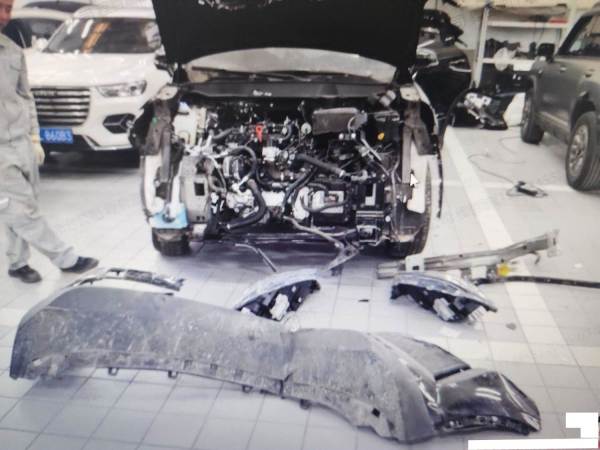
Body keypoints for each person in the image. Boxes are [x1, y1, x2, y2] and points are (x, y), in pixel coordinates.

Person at [0, 0, 99, 284]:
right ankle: (65, 258)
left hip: (20, 141)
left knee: (20, 206)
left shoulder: (12, 50)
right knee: (21, 209)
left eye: (9, 8)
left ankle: (17, 263)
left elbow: (25, 97)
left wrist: (34, 137)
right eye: (1, 8)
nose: (6, 16)